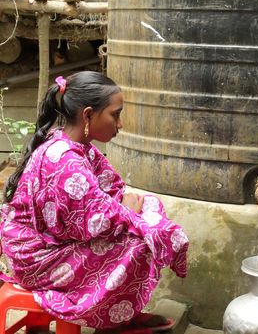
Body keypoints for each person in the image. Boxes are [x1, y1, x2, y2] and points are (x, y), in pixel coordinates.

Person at [0, 71, 189, 331]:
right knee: (139, 242)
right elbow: (93, 223)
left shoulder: (80, 148)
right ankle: (116, 317)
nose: (119, 124)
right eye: (115, 114)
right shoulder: (64, 159)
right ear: (88, 115)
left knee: (147, 210)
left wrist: (125, 208)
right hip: (37, 258)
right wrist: (125, 210)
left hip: (55, 242)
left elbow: (113, 191)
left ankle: (119, 312)